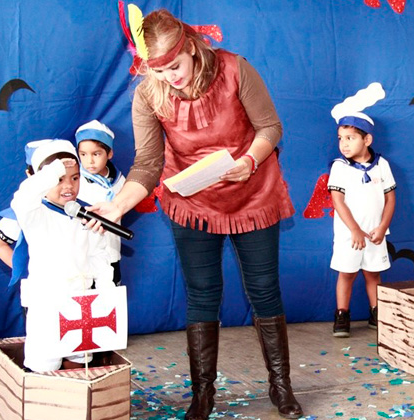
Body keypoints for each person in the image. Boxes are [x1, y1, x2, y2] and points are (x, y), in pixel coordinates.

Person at [90, 9, 300, 419]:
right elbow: (148, 164)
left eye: (174, 66)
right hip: (192, 203)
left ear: (190, 47)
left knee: (264, 290)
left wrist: (250, 162)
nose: (169, 76)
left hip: (253, 194)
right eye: (159, 70)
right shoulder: (148, 94)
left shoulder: (235, 69)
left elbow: (270, 127)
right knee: (202, 294)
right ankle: (202, 394)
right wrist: (116, 206)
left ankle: (281, 386)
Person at [10, 139, 115, 372]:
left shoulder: (85, 213)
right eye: (60, 180)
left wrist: (105, 291)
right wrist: (54, 170)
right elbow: (22, 198)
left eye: (75, 178)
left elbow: (97, 254)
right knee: (44, 364)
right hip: (47, 302)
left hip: (81, 302)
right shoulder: (35, 213)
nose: (68, 186)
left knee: (79, 362)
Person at [328, 107, 396, 337]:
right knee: (346, 274)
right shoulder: (340, 167)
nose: (344, 144)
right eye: (340, 138)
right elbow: (337, 201)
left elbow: (390, 199)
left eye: (350, 138)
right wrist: (355, 230)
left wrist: (383, 227)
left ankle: (376, 313)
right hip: (350, 236)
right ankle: (342, 314)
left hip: (375, 234)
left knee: (373, 274)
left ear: (367, 140)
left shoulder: (382, 165)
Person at [75, 120, 126, 286]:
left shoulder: (120, 181)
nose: (89, 161)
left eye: (96, 154)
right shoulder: (75, 181)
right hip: (83, 254)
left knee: (111, 294)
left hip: (112, 251)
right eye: (83, 154)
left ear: (109, 153)